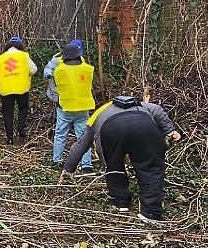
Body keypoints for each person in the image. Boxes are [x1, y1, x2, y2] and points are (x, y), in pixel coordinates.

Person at [62, 94, 183, 222]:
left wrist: (68, 169)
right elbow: (158, 110)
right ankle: (150, 213)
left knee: (113, 167)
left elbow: (81, 144)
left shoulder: (97, 114)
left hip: (109, 130)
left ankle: (121, 204)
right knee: (151, 168)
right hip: (143, 125)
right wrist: (169, 130)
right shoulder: (142, 105)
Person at [46, 40, 96, 174]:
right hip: (83, 107)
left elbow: (55, 86)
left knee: (60, 135)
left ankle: (57, 161)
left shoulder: (59, 71)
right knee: (84, 137)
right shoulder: (88, 69)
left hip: (65, 107)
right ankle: (86, 165)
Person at [0, 36, 37, 145]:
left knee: (7, 113)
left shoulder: (0, 58)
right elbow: (34, 69)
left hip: (5, 89)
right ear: (20, 45)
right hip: (21, 88)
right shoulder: (24, 56)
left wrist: (4, 80)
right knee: (23, 108)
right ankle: (21, 130)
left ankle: (9, 138)